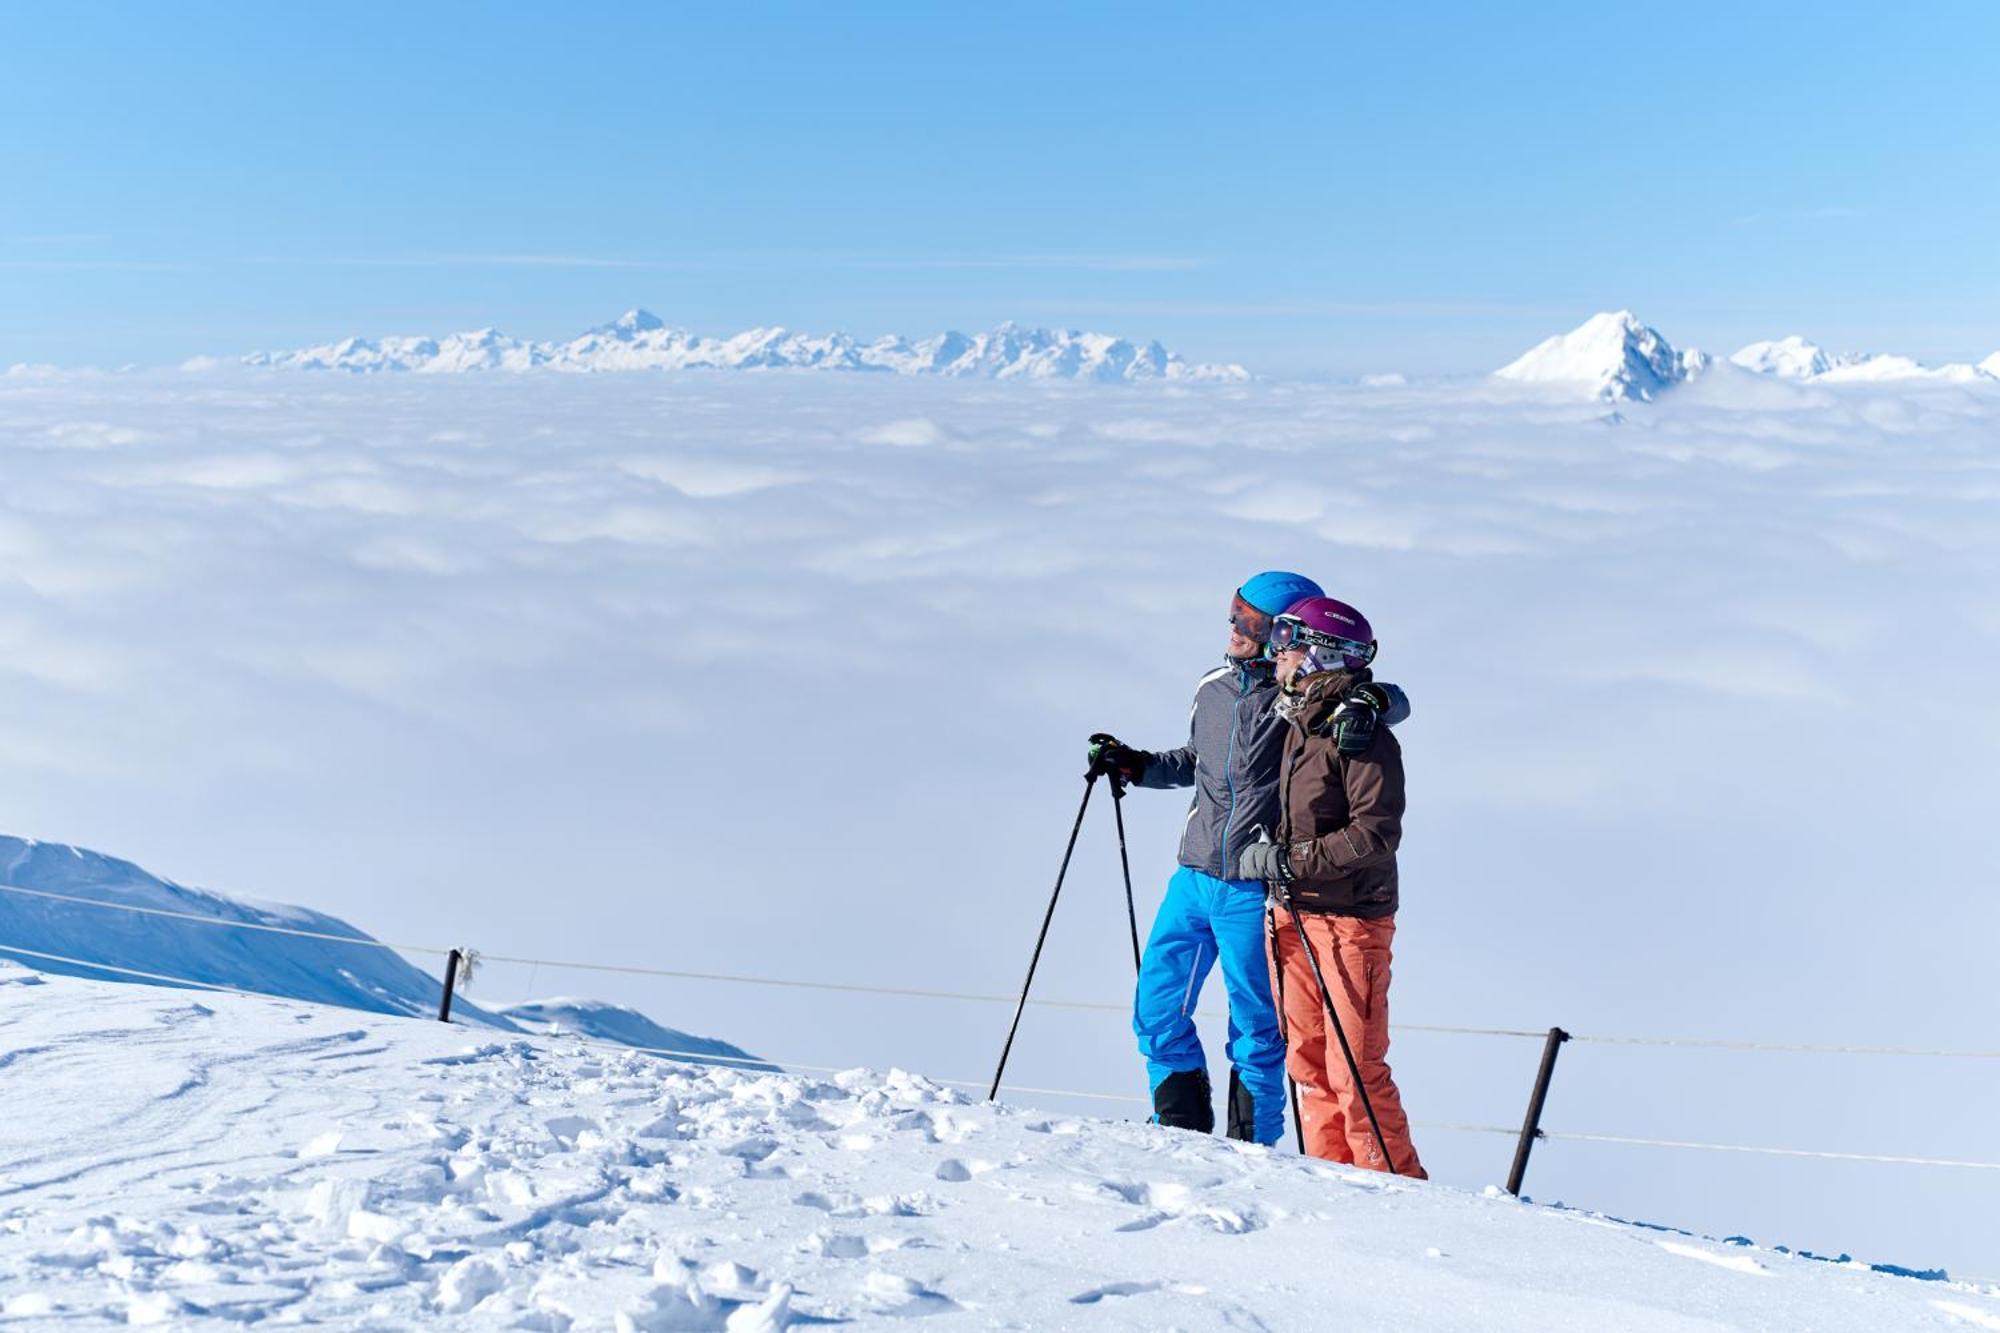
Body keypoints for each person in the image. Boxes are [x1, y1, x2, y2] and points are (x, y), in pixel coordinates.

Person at [1089, 573, 1409, 1144]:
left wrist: (1375, 696)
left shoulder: (1298, 705)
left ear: (1287, 632)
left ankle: (1253, 1149)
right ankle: (1179, 1128)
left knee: (1258, 1030)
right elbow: (1197, 760)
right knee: (1156, 1008)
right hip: (1193, 874)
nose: (1235, 628)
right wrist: (1136, 765)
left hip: (1252, 886)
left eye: (1253, 621)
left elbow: (1381, 699)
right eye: (1234, 613)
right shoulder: (1212, 687)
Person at [1237, 594, 1426, 1176]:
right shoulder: (1301, 719)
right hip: (1292, 915)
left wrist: (1288, 861)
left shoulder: (1359, 733)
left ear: (1319, 654)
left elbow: (1374, 834)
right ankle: (1334, 1186)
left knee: (1354, 1066)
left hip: (1349, 921)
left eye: (1289, 642)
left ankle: (1395, 1187)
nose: (1277, 654)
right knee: (1308, 1061)